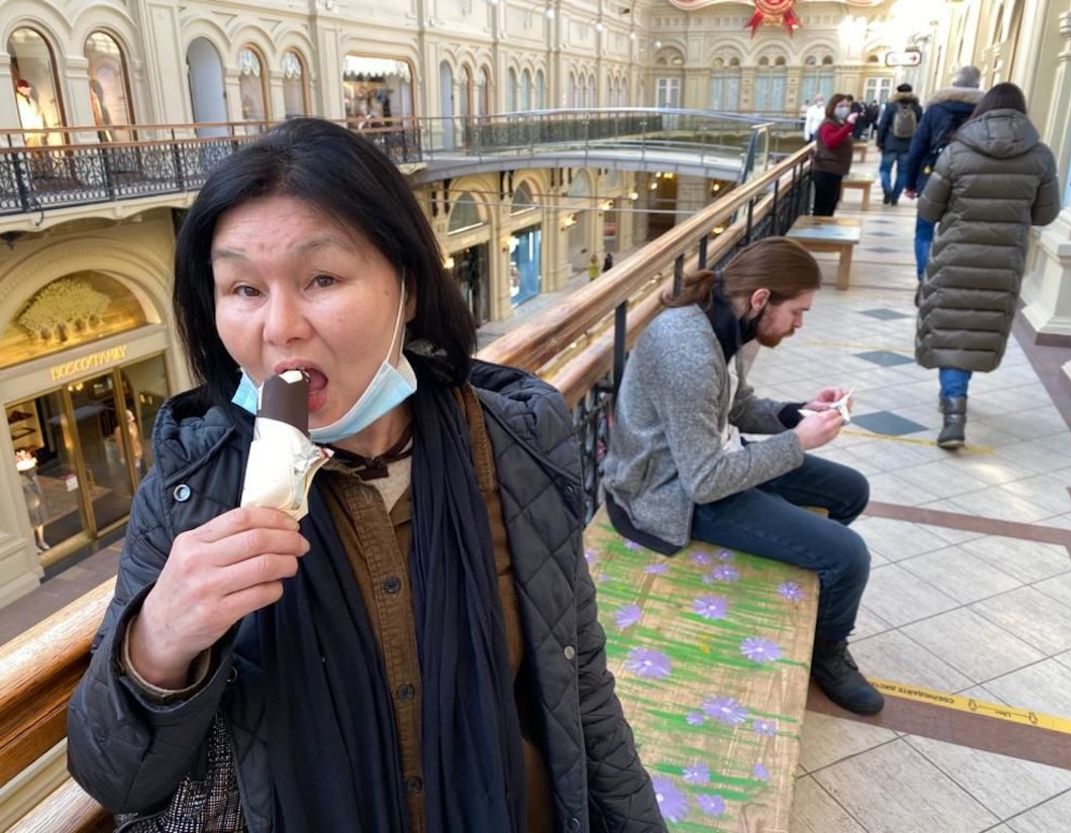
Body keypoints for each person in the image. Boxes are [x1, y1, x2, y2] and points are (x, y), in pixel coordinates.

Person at [67, 118, 665, 833]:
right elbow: (112, 776)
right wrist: (158, 641)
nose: (279, 327)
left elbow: (580, 688)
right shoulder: (191, 490)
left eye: (322, 278)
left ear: (406, 288)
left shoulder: (514, 443)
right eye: (244, 288)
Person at [601, 237, 883, 716]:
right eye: (797, 312)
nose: (799, 324)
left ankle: (785, 548)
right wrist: (799, 443)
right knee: (849, 556)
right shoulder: (687, 349)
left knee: (852, 490)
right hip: (669, 494)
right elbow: (706, 481)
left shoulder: (721, 323)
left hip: (711, 461)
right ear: (760, 299)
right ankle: (827, 653)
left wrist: (798, 414)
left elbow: (738, 407)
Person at [916, 83, 1059, 449]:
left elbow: (929, 209)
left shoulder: (957, 152)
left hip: (955, 257)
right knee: (976, 328)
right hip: (1003, 260)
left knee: (951, 326)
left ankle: (953, 408)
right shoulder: (1040, 156)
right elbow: (1046, 214)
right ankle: (956, 401)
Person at [904, 66, 983, 285]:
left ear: (953, 84)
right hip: (970, 180)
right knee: (959, 231)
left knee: (924, 230)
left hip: (933, 176)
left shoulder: (936, 109)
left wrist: (910, 183)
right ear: (977, 85)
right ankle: (949, 279)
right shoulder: (983, 111)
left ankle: (924, 277)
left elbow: (917, 147)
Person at [875, 83, 922, 206]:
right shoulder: (917, 108)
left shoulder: (891, 107)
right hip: (908, 146)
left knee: (884, 170)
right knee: (903, 172)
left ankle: (887, 191)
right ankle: (895, 197)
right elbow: (921, 128)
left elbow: (883, 125)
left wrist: (879, 142)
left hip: (890, 144)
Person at [812, 94, 858, 217]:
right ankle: (819, 233)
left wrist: (848, 126)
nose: (844, 108)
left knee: (831, 203)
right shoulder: (828, 124)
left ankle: (824, 231)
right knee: (823, 207)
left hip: (834, 171)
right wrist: (848, 126)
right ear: (832, 107)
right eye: (840, 106)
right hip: (826, 171)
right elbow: (831, 142)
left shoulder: (838, 122)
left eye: (847, 106)